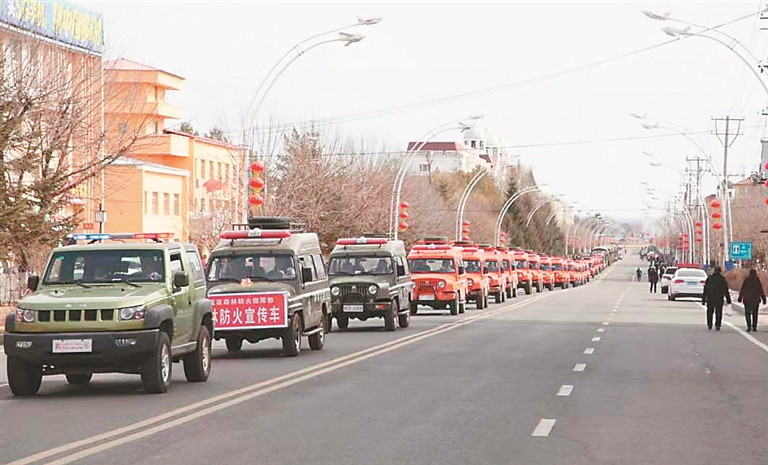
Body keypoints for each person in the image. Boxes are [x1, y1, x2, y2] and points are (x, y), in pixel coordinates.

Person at [702, 266, 731, 331]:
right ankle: (718, 325)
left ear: (714, 271)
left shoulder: (709, 278)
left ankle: (709, 324)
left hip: (710, 298)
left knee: (710, 311)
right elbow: (725, 290)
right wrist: (728, 300)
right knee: (719, 312)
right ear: (720, 271)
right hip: (719, 298)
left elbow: (705, 289)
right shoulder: (722, 279)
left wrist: (703, 299)